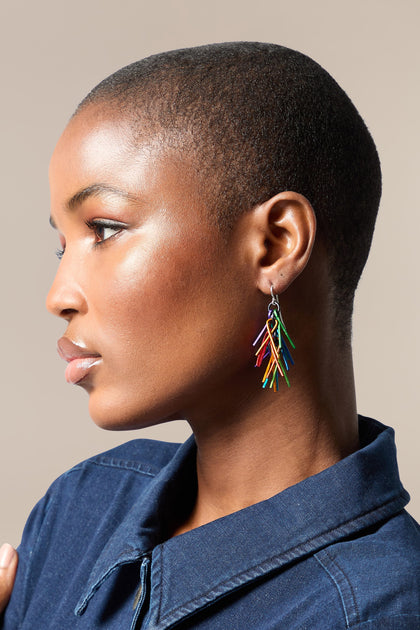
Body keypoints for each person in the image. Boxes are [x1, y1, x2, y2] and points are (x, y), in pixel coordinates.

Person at [1, 42, 419, 629]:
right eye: (61, 244)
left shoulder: (374, 609)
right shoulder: (84, 505)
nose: (58, 296)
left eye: (105, 229)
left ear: (274, 244)